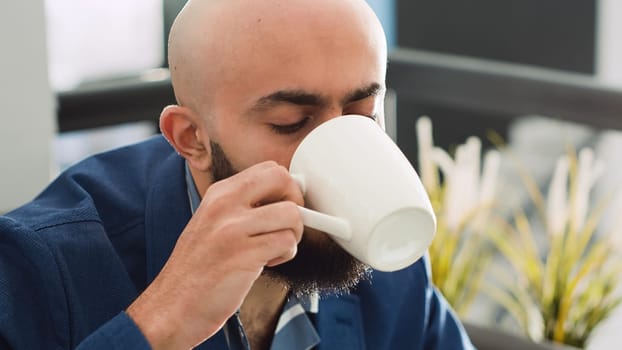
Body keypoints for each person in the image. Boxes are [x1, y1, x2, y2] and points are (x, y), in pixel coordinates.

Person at [0, 0, 475, 349]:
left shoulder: (384, 245)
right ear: (191, 138)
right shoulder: (43, 265)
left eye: (363, 113)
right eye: (291, 123)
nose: (346, 153)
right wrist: (161, 323)